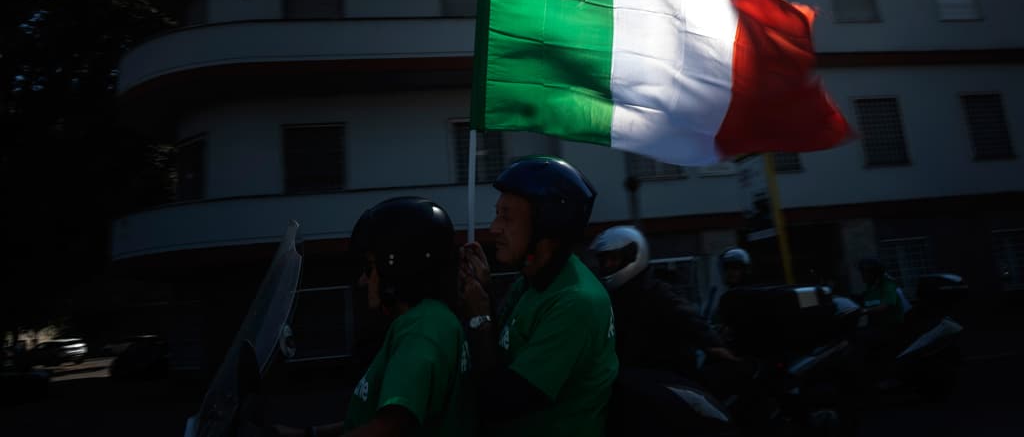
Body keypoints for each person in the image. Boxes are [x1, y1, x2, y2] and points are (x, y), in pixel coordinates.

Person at [274, 197, 472, 437]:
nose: (362, 280)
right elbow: (371, 419)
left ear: (398, 269)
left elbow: (388, 428)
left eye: (370, 268)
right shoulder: (428, 319)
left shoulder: (421, 330)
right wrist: (309, 433)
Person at [458, 156, 618, 437]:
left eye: (507, 217)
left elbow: (501, 402)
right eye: (497, 214)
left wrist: (478, 318)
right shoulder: (531, 281)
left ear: (547, 225)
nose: (494, 228)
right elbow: (500, 352)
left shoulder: (575, 302)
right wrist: (484, 294)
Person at [589, 225, 739, 374]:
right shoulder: (612, 296)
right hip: (630, 375)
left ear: (632, 256)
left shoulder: (655, 292)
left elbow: (688, 318)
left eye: (614, 259)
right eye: (604, 260)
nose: (607, 265)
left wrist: (714, 345)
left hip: (664, 375)